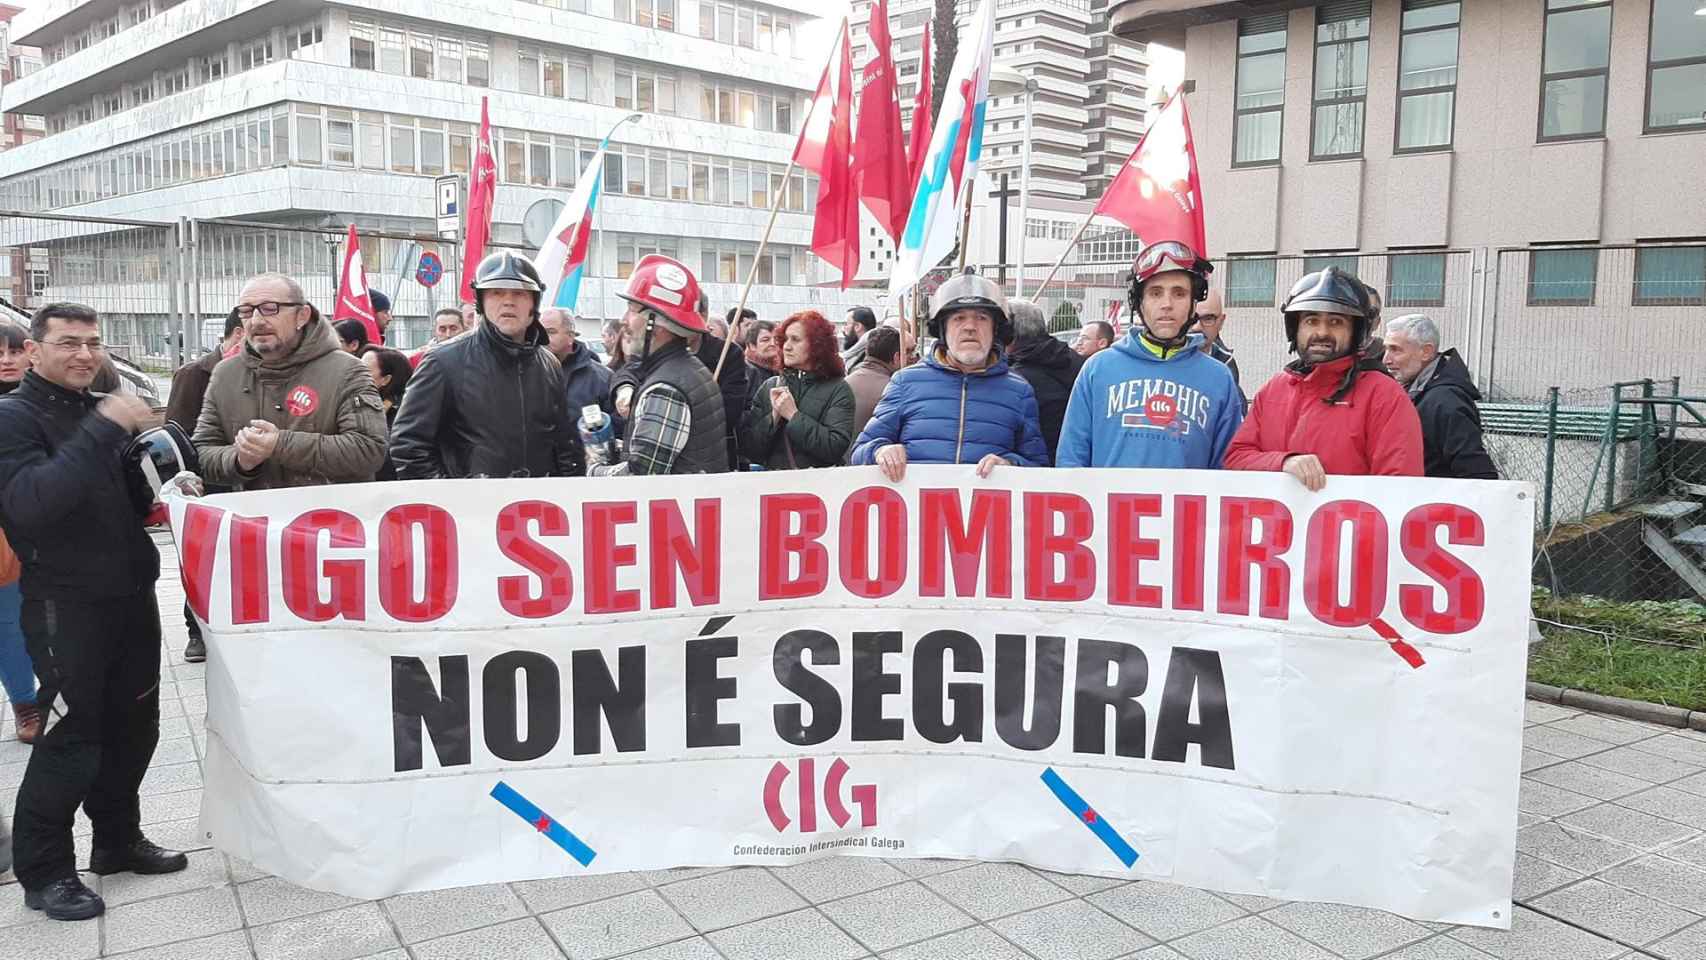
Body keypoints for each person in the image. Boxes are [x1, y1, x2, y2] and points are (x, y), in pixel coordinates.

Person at [0, 302, 189, 921]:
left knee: (136, 728)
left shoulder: (95, 414)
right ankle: (45, 871)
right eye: (68, 343)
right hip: (64, 605)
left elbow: (125, 497)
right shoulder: (13, 418)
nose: (85, 354)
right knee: (71, 737)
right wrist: (107, 426)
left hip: (130, 596)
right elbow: (32, 504)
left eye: (94, 343)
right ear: (33, 350)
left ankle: (116, 839)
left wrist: (172, 475)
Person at [1224, 267, 1422, 489]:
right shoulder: (1274, 390)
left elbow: (1401, 488)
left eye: (1336, 322)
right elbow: (1236, 458)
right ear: (1295, 328)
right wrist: (1283, 462)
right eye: (1311, 321)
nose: (1321, 332)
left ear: (1356, 331)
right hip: (1280, 523)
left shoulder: (1384, 396)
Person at [390, 251, 584, 479]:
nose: (508, 301)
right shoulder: (442, 361)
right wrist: (450, 498)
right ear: (481, 302)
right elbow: (408, 446)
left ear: (534, 302)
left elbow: (564, 444)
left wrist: (569, 492)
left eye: (519, 294)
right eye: (497, 293)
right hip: (473, 510)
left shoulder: (549, 363)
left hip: (538, 507)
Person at [192, 273, 388, 492]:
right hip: (255, 522)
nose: (256, 321)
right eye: (246, 312)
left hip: (330, 520)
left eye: (270, 308)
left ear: (302, 315)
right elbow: (200, 453)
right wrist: (240, 460)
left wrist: (279, 444)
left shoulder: (348, 371)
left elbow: (369, 451)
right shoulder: (225, 374)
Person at [1058, 242, 1245, 470]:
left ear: (1193, 304)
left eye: (1179, 293)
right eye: (1155, 293)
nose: (1167, 304)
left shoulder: (1219, 378)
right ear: (1139, 303)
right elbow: (1071, 461)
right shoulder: (1097, 369)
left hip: (1185, 507)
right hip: (1110, 506)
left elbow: (1229, 471)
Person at [852, 269, 1049, 479]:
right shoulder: (905, 382)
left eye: (981, 318)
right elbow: (859, 452)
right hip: (917, 511)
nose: (970, 327)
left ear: (996, 330)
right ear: (943, 329)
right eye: (958, 318)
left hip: (984, 511)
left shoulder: (1019, 392)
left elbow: (1038, 467)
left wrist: (1011, 464)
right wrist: (881, 450)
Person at [588, 255, 729, 476]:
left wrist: (594, 470)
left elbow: (642, 476)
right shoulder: (686, 370)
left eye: (632, 309)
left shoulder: (667, 389)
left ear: (658, 324)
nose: (624, 320)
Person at [163, 308, 243, 662]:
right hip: (209, 485)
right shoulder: (194, 375)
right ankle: (196, 630)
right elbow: (177, 432)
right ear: (239, 334)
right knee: (203, 563)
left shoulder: (259, 373)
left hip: (251, 485)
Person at [1383, 313, 1498, 480]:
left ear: (1426, 352)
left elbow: (1476, 472)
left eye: (1395, 350)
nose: (1386, 359)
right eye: (1386, 349)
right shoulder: (1420, 392)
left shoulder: (1446, 401)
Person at [740, 310, 855, 470]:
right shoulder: (770, 386)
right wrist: (773, 418)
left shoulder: (838, 389)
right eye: (785, 339)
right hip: (776, 488)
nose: (786, 346)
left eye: (795, 340)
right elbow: (751, 450)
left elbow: (834, 447)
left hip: (819, 488)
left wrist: (793, 416)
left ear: (816, 345)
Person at [0, 318, 40, 741]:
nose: (7, 361)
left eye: (14, 351)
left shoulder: (50, 398)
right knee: (8, 622)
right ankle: (24, 702)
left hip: (48, 524)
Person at [1005, 298, 1084, 463]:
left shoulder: (1013, 380)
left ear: (1008, 332)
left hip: (1038, 468)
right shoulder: (1077, 361)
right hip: (1078, 462)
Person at [540, 307, 613, 422]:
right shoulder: (525, 372)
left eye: (550, 332)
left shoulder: (601, 377)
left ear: (570, 336)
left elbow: (617, 427)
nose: (542, 338)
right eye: (540, 332)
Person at [845, 324, 902, 450]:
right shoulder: (895, 390)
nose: (914, 357)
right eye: (908, 351)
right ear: (896, 357)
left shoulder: (844, 383)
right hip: (874, 463)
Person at [360, 346, 413, 481]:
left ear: (386, 379)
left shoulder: (405, 413)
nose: (354, 374)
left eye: (363, 371)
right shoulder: (354, 402)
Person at [1194, 289, 1244, 398]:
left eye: (1208, 318)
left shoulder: (1226, 366)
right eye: (1192, 318)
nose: (1197, 327)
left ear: (1221, 322)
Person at [742, 318, 780, 405]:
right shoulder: (747, 373)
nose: (772, 343)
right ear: (752, 346)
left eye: (776, 339)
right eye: (765, 340)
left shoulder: (781, 371)